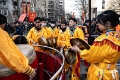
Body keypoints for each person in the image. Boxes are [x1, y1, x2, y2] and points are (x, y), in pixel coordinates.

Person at [71, 10, 120, 80]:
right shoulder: (117, 36)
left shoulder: (103, 39)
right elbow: (102, 52)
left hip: (101, 73)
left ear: (107, 24)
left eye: (99, 22)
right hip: (112, 73)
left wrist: (79, 51)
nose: (97, 24)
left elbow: (92, 56)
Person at [0, 14, 36, 79]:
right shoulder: (2, 34)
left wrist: (15, 38)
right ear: (3, 24)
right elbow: (9, 55)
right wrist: (29, 70)